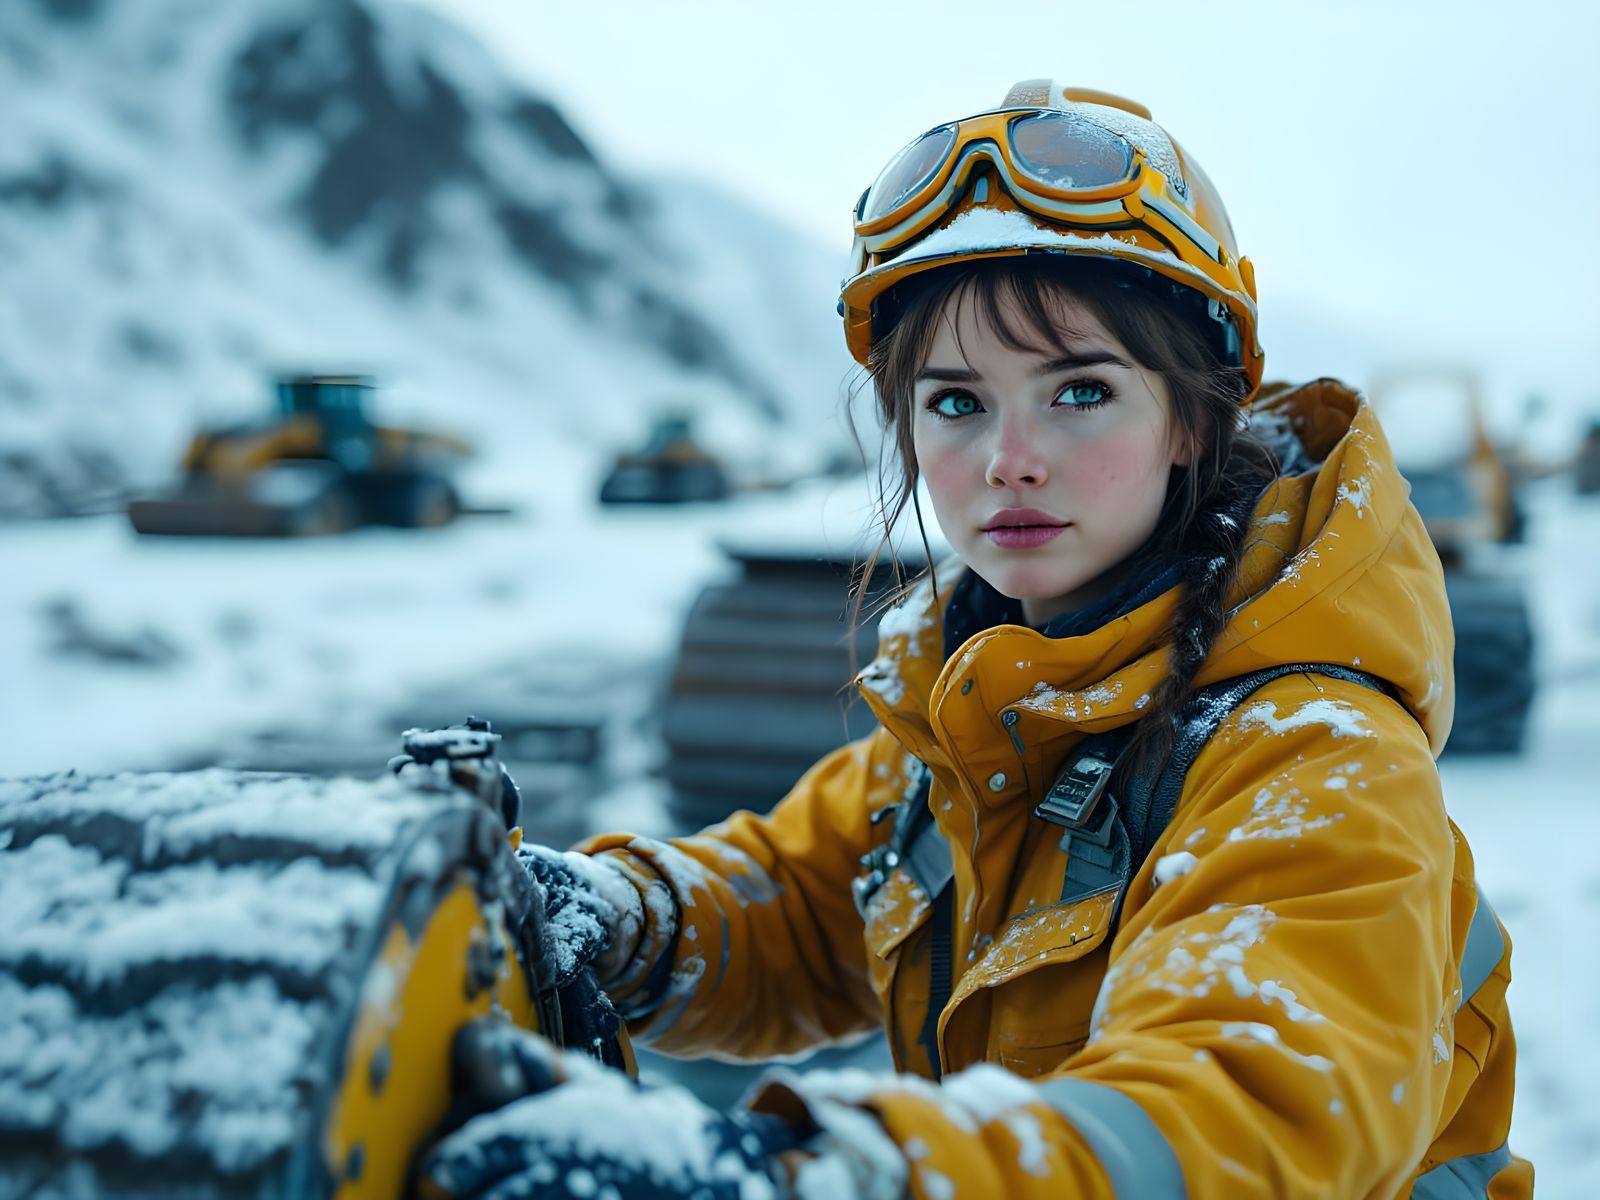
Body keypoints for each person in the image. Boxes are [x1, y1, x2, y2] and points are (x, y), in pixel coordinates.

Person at [420, 81, 1530, 1199]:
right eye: (955, 402)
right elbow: (802, 909)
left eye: (1080, 392)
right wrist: (608, 919)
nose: (1009, 458)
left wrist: (845, 1178)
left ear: (1195, 417)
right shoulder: (984, 708)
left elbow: (1244, 1104)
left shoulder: (1314, 755)